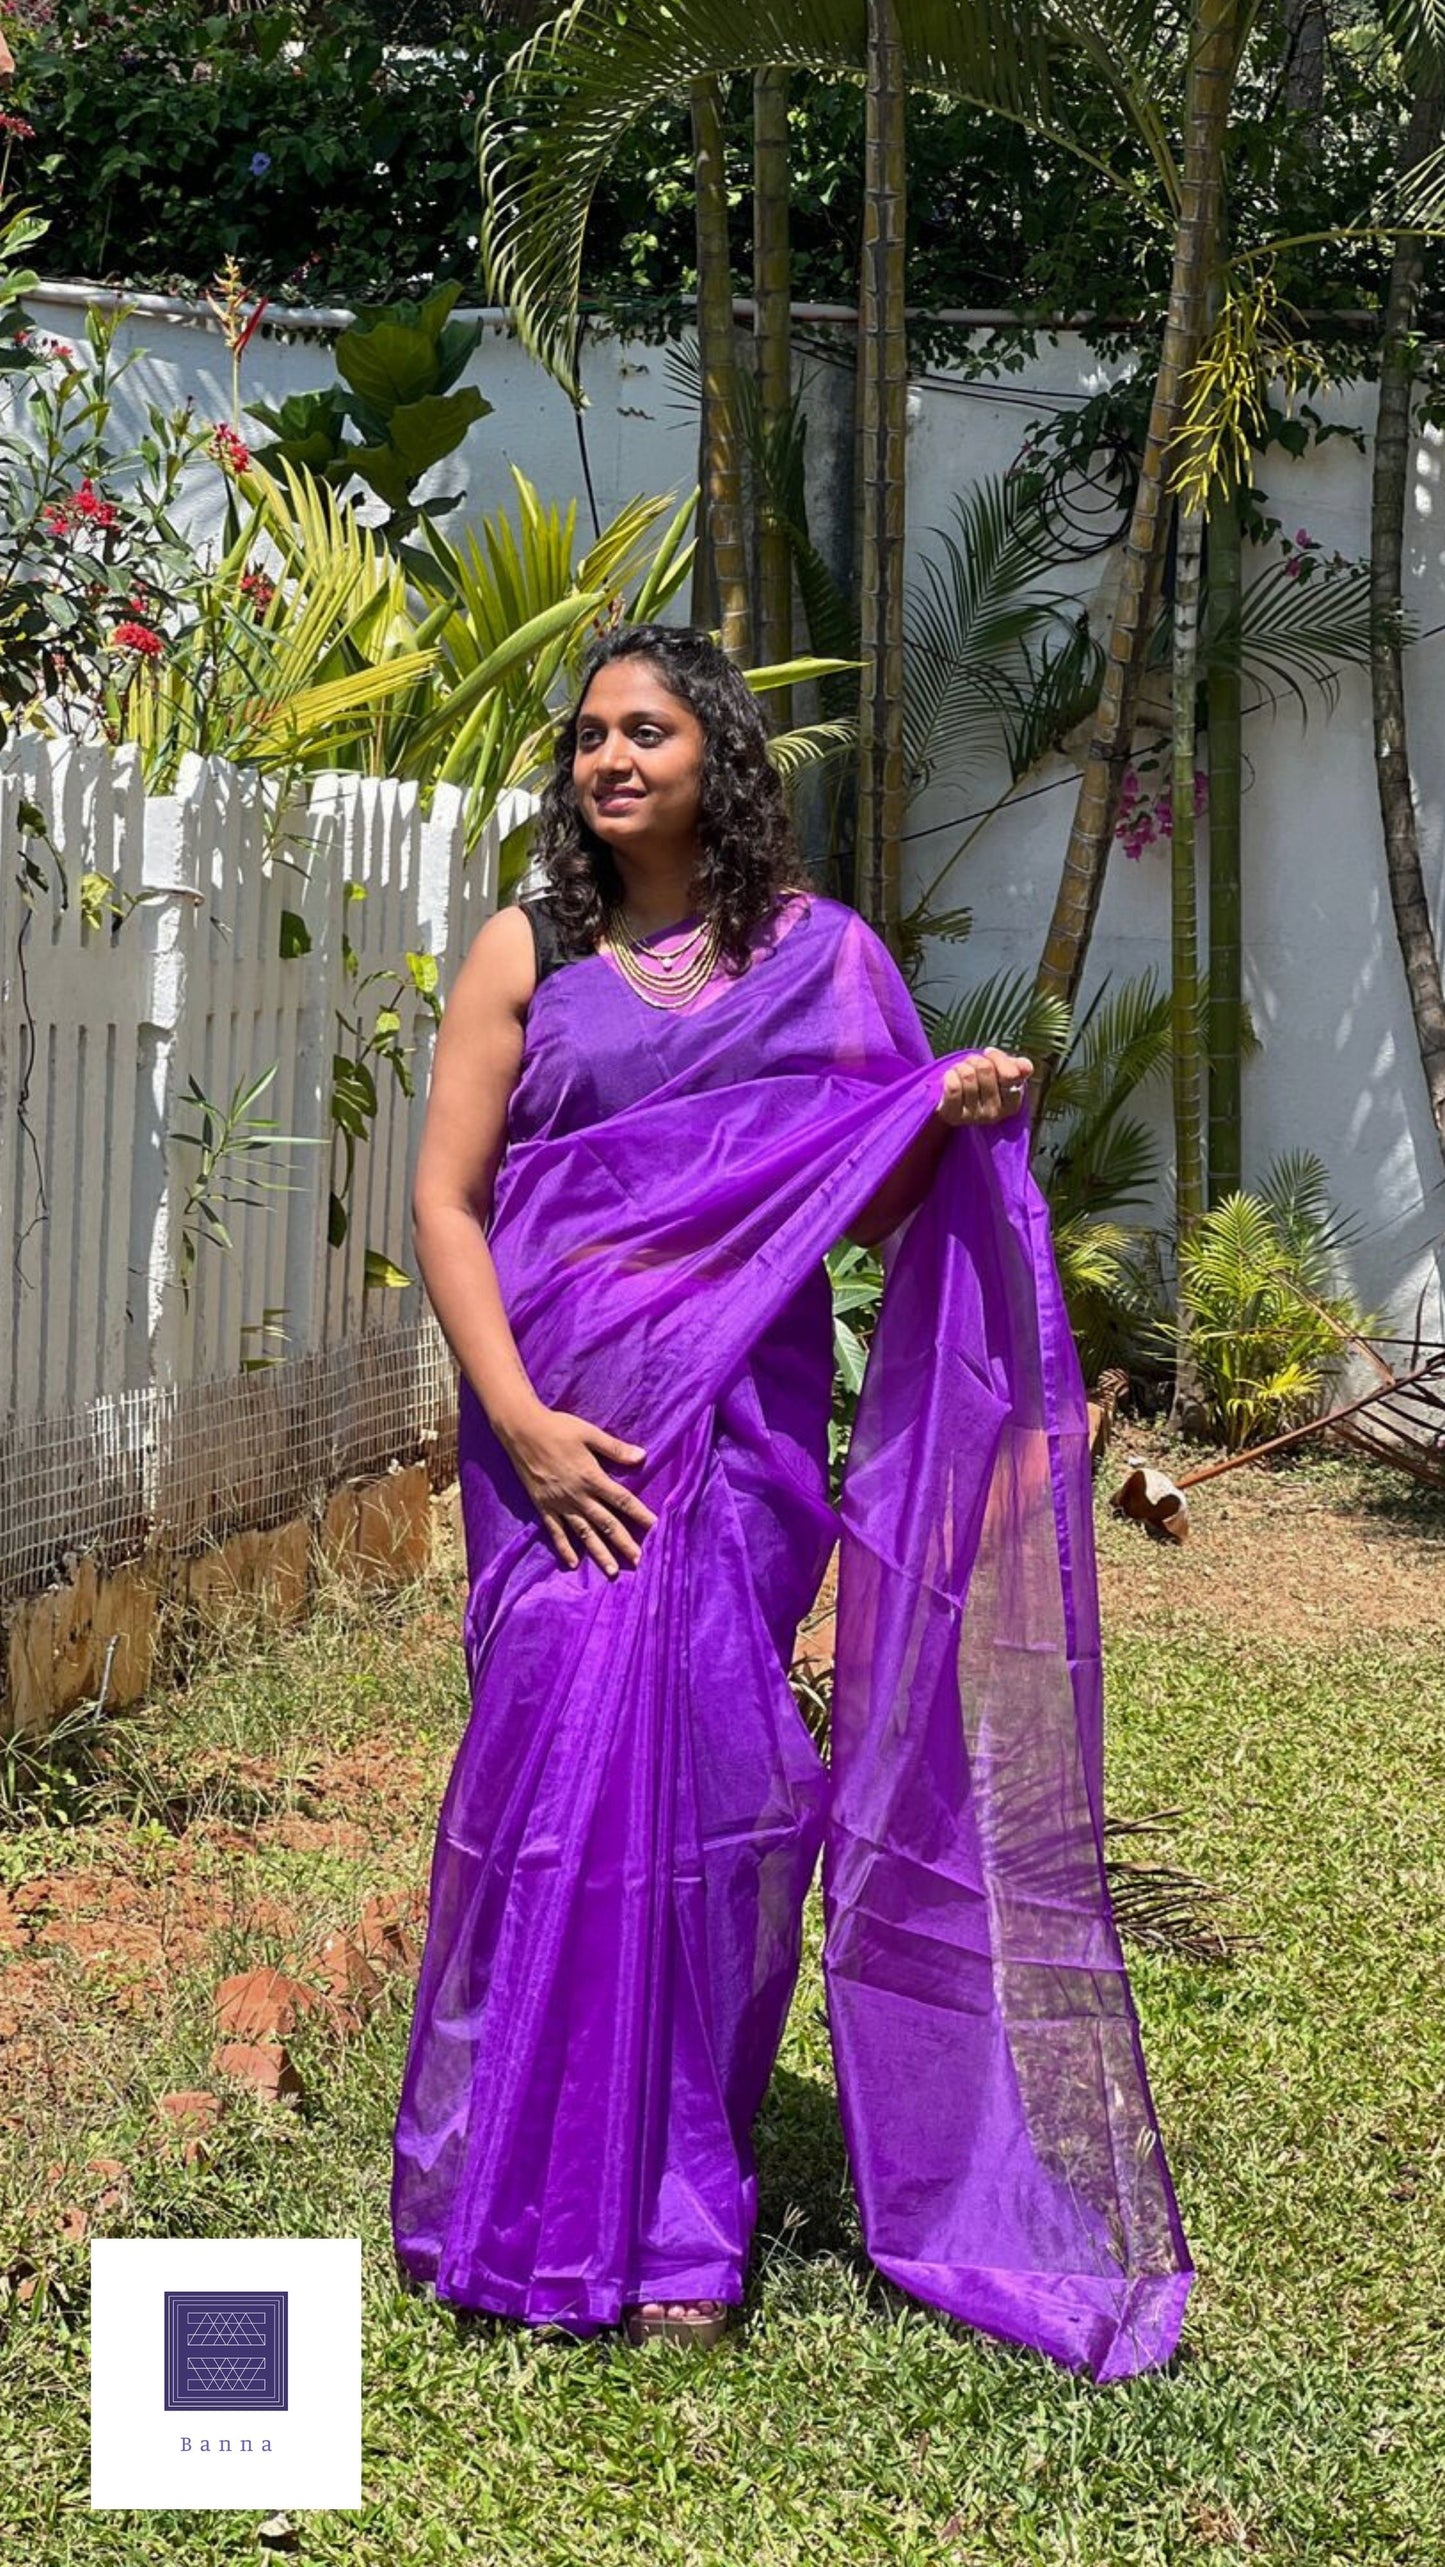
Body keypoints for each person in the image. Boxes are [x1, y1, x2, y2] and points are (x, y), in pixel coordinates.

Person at [391, 622, 1193, 2376]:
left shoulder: (821, 962)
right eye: (589, 735)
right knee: (543, 1793)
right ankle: (503, 2193)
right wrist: (521, 1425)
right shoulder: (526, 953)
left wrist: (963, 1114)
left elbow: (887, 1198)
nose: (610, 760)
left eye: (648, 732)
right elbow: (447, 1208)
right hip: (557, 1453)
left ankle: (680, 2218)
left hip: (733, 1452)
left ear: (716, 759)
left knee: (713, 1815)